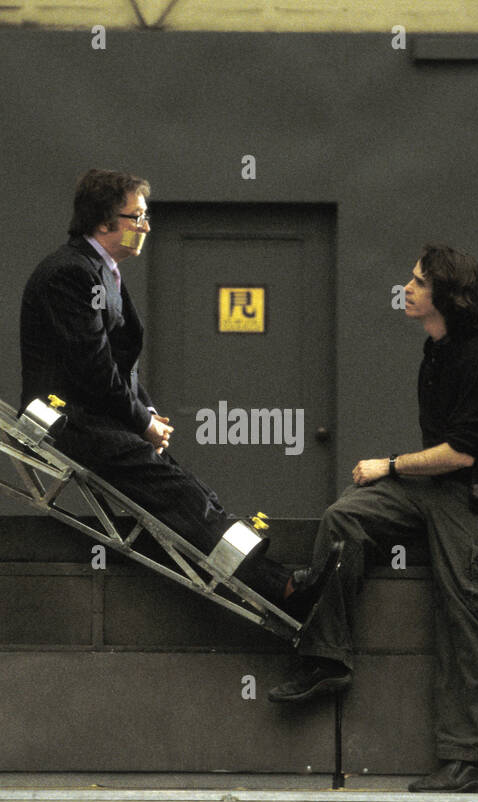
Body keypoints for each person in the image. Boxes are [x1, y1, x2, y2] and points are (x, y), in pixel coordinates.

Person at [267, 244, 478, 795]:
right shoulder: (435, 352)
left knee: (466, 612)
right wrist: (396, 476)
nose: (407, 288)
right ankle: (327, 657)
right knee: (346, 516)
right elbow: (445, 458)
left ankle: (468, 761)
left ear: (446, 296)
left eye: (418, 282)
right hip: (440, 489)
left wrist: (390, 466)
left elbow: (463, 452)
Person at [19, 169, 338, 620]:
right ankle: (281, 589)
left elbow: (113, 367)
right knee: (184, 499)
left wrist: (146, 413)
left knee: (192, 496)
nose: (146, 227)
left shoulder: (96, 271)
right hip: (69, 423)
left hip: (95, 420)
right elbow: (91, 371)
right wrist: (141, 422)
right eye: (138, 217)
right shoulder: (71, 275)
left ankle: (278, 584)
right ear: (105, 221)